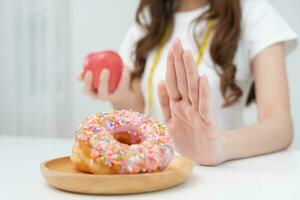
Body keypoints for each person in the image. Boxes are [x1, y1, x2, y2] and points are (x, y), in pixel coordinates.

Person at [78, 0, 298, 165]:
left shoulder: (254, 12)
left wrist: (218, 147)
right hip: (156, 174)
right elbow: (141, 111)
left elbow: (279, 126)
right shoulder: (149, 18)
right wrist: (118, 94)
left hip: (222, 177)